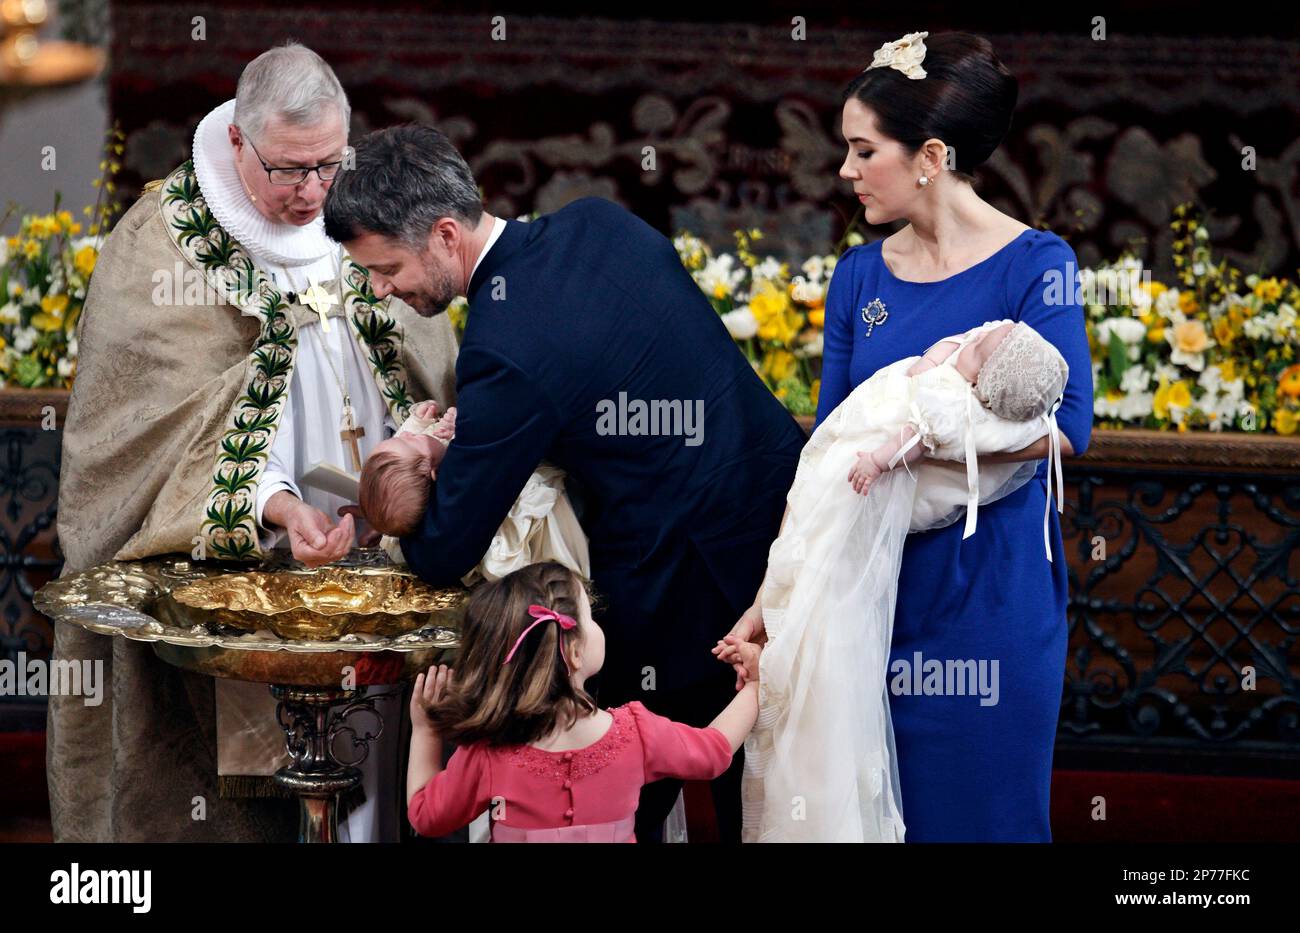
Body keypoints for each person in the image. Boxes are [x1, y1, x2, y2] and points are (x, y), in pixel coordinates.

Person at [324, 125, 806, 841]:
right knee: (766, 790)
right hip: (786, 530)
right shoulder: (598, 219)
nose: (381, 288)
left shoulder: (507, 348)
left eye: (387, 266)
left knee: (620, 794)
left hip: (684, 586)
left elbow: (447, 545)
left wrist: (402, 476)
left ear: (446, 235)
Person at [50, 43, 458, 842]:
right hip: (244, 579)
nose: (312, 192)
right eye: (289, 170)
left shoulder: (364, 214)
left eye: (329, 166)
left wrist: (411, 460)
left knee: (377, 786)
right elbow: (141, 436)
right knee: (242, 808)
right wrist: (270, 503)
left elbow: (423, 361)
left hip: (378, 563)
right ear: (237, 140)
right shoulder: (161, 242)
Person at [721, 31, 1093, 842]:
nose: (846, 169)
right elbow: (827, 454)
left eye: (863, 149)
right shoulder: (859, 275)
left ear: (929, 155)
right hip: (866, 595)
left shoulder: (1038, 263)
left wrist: (930, 440)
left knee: (981, 816)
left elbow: (1070, 429)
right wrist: (769, 603)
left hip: (987, 594)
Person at [718, 319, 1070, 841]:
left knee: (828, 609)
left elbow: (921, 436)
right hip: (831, 483)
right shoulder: (964, 348)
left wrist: (878, 460)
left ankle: (778, 665)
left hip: (880, 516)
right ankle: (775, 650)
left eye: (981, 351)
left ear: (982, 382)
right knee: (812, 575)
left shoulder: (954, 407)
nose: (975, 339)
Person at [406, 562, 758, 842]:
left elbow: (427, 817)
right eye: (591, 616)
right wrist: (757, 685)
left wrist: (425, 732)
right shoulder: (636, 732)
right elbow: (715, 751)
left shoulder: (488, 753)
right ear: (575, 653)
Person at [361, 402, 591, 586]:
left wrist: (419, 422)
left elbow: (404, 453)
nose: (408, 434)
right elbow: (488, 445)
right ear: (434, 473)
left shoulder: (420, 472)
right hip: (540, 507)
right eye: (413, 438)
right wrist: (464, 429)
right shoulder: (458, 472)